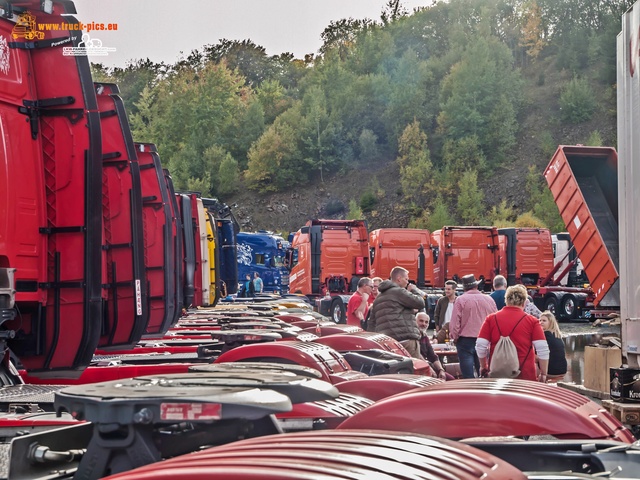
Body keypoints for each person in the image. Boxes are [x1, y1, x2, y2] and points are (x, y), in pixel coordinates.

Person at [476, 284, 550, 382]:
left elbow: (480, 345)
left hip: (497, 376)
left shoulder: (491, 319)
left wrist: (483, 366)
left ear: (506, 301)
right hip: (525, 376)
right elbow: (542, 349)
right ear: (524, 302)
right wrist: (543, 373)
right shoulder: (532, 321)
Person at [367, 266, 425, 359]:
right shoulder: (399, 291)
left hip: (388, 344)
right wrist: (414, 290)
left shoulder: (378, 298)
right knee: (414, 370)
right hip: (406, 339)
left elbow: (371, 323)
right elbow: (420, 302)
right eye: (406, 279)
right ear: (399, 278)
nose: (407, 282)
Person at [449, 274, 498, 378]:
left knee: (467, 374)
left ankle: (469, 390)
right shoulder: (489, 299)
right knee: (485, 371)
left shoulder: (460, 300)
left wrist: (455, 337)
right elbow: (495, 320)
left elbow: (455, 323)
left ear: (464, 287)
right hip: (484, 339)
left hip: (465, 340)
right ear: (476, 286)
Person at [416, 312, 448, 379]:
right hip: (418, 370)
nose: (424, 324)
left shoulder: (425, 337)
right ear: (415, 321)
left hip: (428, 367)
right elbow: (417, 355)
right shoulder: (413, 337)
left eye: (426, 322)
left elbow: (433, 356)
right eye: (421, 321)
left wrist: (441, 370)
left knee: (450, 379)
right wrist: (430, 369)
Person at [538, 310, 567, 382]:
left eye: (544, 321)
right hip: (562, 370)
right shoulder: (557, 335)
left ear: (550, 322)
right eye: (540, 320)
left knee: (531, 359)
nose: (541, 322)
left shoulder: (546, 335)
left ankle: (538, 384)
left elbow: (536, 355)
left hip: (552, 371)